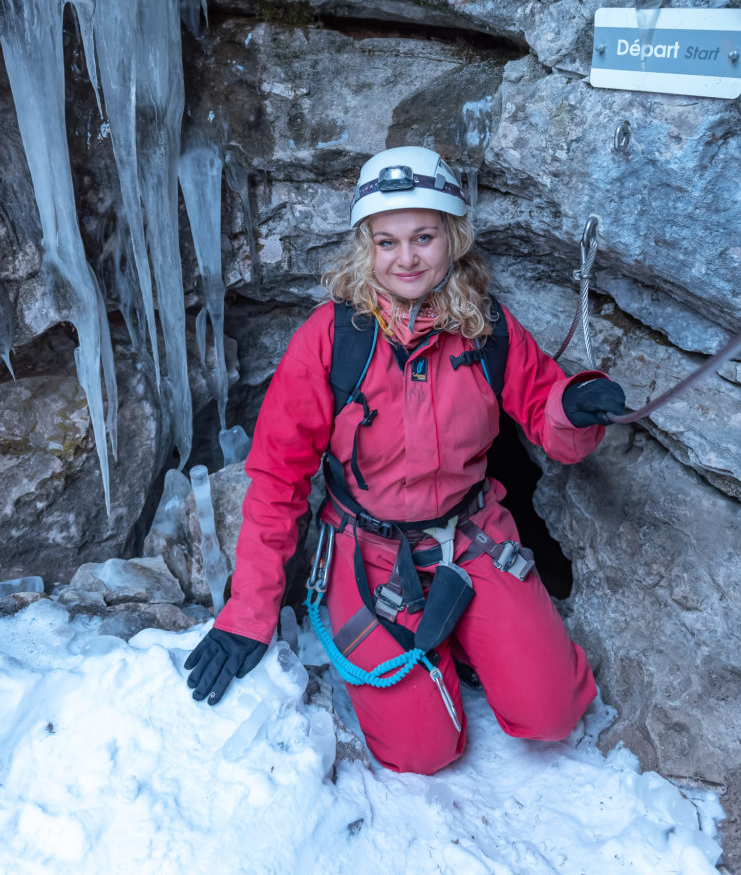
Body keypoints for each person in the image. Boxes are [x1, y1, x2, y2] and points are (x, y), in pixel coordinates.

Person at [184, 146, 625, 775]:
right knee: (421, 752)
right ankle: (440, 649)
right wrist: (249, 612)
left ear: (452, 237)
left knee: (553, 714)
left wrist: (575, 406)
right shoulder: (333, 339)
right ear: (367, 247)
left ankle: (469, 642)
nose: (407, 257)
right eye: (387, 242)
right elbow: (277, 478)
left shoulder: (488, 329)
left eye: (423, 236)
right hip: (366, 554)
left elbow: (545, 415)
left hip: (471, 540)